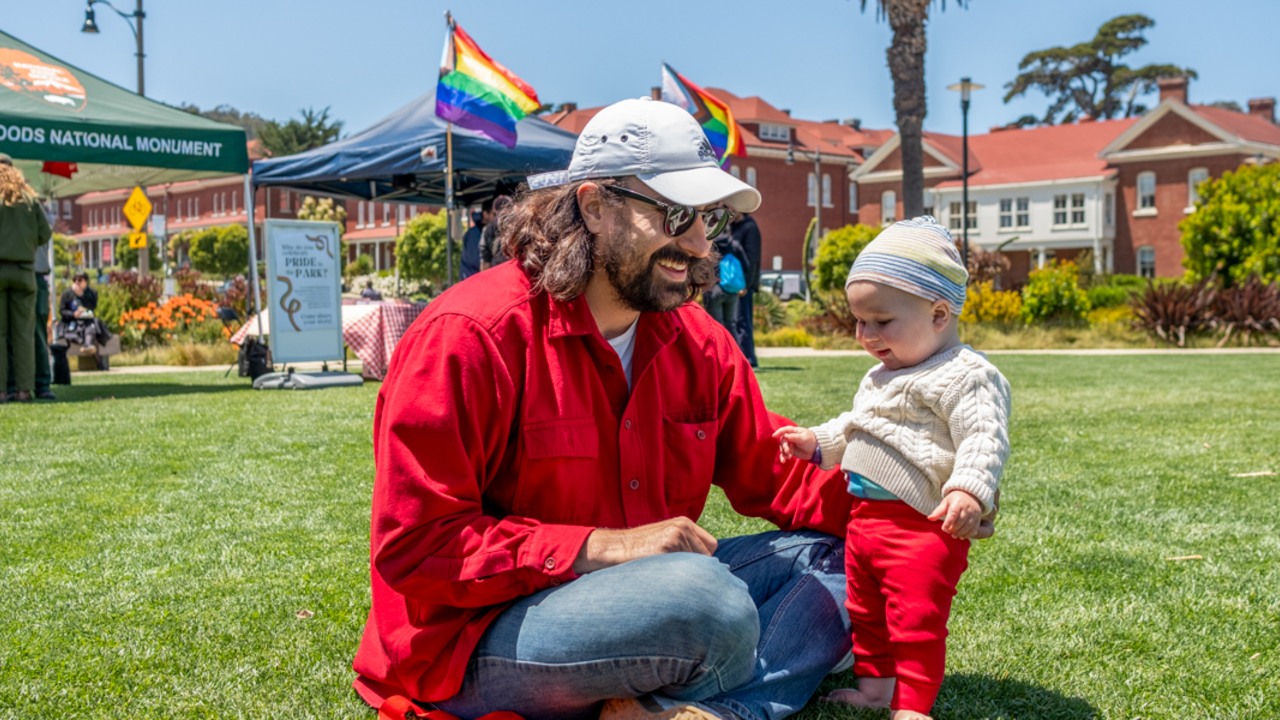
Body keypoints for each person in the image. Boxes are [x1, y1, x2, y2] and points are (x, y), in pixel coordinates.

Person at [354, 98, 993, 720]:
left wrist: (911, 509)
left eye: (706, 219)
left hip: (651, 597)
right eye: (674, 213)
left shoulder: (698, 341)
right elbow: (415, 548)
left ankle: (690, 711)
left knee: (849, 557)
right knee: (704, 602)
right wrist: (596, 547)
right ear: (595, 205)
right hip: (476, 637)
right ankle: (723, 685)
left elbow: (773, 471)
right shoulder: (471, 334)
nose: (695, 243)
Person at [773, 217, 1011, 720]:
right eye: (860, 321)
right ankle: (876, 689)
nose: (867, 335)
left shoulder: (966, 376)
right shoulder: (880, 376)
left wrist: (969, 491)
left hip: (921, 526)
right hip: (864, 523)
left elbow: (983, 439)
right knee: (867, 614)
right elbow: (858, 426)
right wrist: (815, 440)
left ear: (939, 313)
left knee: (916, 619)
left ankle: (913, 705)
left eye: (882, 321)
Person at [0, 161, 50, 404]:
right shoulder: (29, 200)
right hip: (25, 271)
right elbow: (45, 233)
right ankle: (23, 391)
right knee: (24, 334)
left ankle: (1, 391)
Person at [701, 229, 747, 336]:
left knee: (715, 324)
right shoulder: (734, 245)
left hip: (713, 289)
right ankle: (733, 352)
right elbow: (746, 266)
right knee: (730, 324)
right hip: (731, 289)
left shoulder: (708, 244)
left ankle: (718, 352)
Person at [730, 212, 761, 366]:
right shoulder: (732, 227)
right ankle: (739, 357)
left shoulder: (749, 228)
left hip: (743, 286)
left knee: (742, 322)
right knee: (735, 321)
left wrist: (746, 285)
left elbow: (752, 259)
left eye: (731, 209)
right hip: (732, 284)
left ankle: (749, 359)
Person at [459, 198, 494, 280]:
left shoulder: (486, 231)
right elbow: (476, 261)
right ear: (485, 214)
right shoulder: (473, 234)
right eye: (494, 214)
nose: (498, 218)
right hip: (471, 281)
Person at [478, 195, 513, 271]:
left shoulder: (488, 228)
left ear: (495, 211)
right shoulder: (518, 226)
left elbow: (484, 256)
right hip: (514, 270)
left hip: (495, 270)